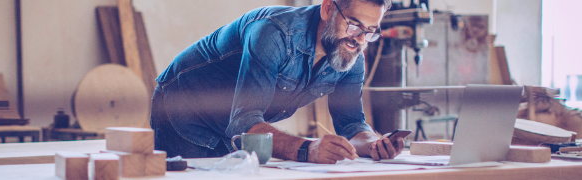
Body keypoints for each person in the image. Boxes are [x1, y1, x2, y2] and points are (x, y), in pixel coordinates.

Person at [150, 0, 403, 164]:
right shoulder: (274, 33)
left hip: (233, 128)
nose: (359, 39)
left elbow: (351, 124)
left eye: (370, 31)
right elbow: (245, 123)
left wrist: (373, 144)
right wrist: (309, 149)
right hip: (184, 111)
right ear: (327, 8)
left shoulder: (351, 54)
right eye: (354, 25)